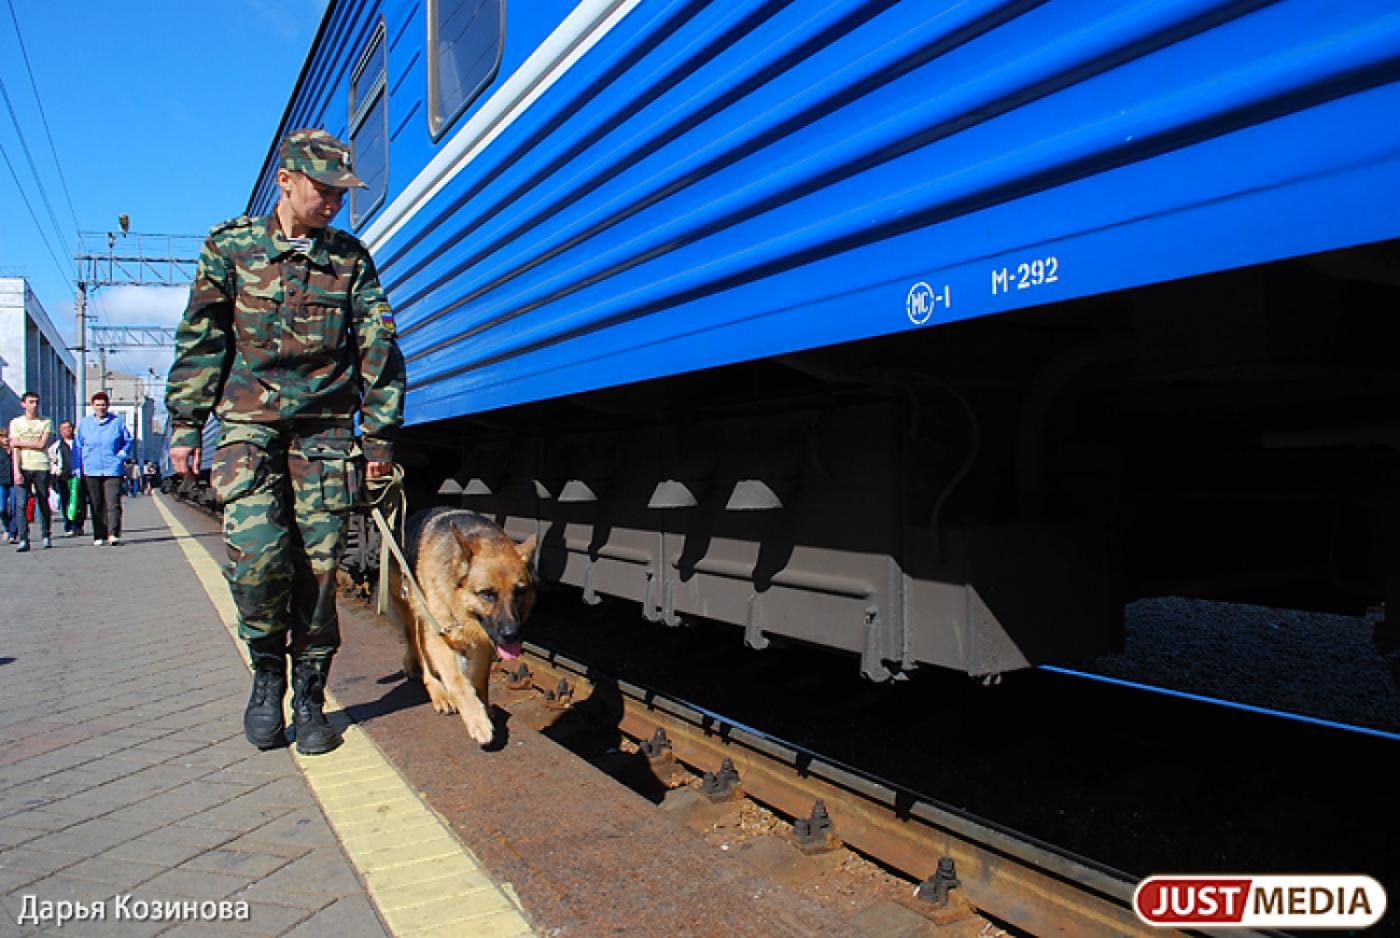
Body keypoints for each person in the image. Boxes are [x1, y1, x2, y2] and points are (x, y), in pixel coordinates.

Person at [166, 129, 405, 756]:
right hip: (247, 429)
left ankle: (310, 694)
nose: (332, 202)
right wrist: (185, 425)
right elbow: (202, 339)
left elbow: (378, 353)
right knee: (256, 560)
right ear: (286, 181)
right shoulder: (231, 247)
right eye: (323, 190)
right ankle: (266, 672)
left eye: (340, 193)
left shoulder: (350, 260)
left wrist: (378, 443)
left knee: (320, 570)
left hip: (324, 433)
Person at [76, 391, 134, 547]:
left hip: (112, 468)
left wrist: (121, 455)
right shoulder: (85, 424)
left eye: (103, 404)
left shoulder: (117, 423)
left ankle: (113, 533)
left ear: (108, 406)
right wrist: (80, 464)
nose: (100, 407)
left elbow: (128, 441)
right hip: (92, 469)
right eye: (97, 405)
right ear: (92, 406)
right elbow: (79, 445)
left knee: (112, 501)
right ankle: (99, 534)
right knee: (96, 503)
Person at [9, 391, 53, 552]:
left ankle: (46, 534)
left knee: (43, 501)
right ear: (23, 404)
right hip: (23, 466)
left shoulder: (45, 422)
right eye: (31, 402)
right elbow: (14, 448)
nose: (34, 405)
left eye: (36, 402)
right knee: (20, 504)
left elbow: (42, 444)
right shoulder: (15, 423)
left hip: (40, 465)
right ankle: (23, 538)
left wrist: (20, 442)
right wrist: (16, 470)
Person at [47, 420, 86, 537]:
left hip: (79, 477)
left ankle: (79, 525)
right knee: (66, 501)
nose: (66, 430)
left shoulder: (79, 444)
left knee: (80, 501)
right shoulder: (56, 446)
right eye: (63, 428)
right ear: (60, 431)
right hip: (63, 477)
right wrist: (54, 473)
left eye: (68, 428)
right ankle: (69, 525)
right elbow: (52, 460)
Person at [0, 428, 16, 544]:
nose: (5, 439)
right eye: (3, 437)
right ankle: (6, 526)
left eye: (7, 437)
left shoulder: (15, 450)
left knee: (15, 508)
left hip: (14, 481)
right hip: (1, 481)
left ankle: (12, 533)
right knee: (2, 508)